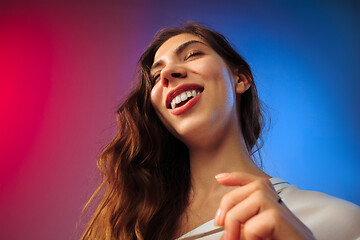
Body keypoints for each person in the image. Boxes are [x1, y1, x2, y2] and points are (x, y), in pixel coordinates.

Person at [81, 22, 360, 240]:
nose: (168, 74)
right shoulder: (129, 226)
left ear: (240, 79)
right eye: (156, 76)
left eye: (192, 55)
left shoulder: (340, 222)